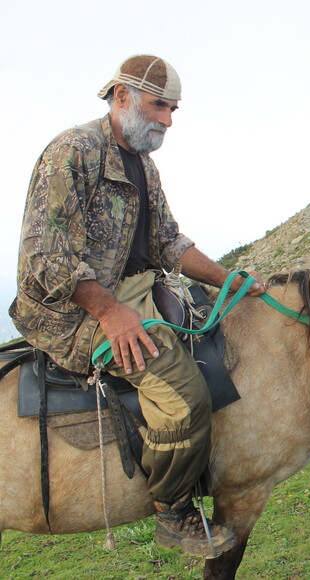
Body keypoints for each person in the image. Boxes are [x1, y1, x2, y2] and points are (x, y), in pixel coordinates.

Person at [10, 54, 266, 558]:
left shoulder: (144, 166)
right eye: (159, 107)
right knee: (181, 390)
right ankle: (173, 510)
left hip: (121, 292)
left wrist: (227, 278)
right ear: (122, 96)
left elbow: (169, 241)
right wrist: (109, 312)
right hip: (66, 310)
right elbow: (46, 256)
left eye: (173, 110)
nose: (168, 121)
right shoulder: (73, 152)